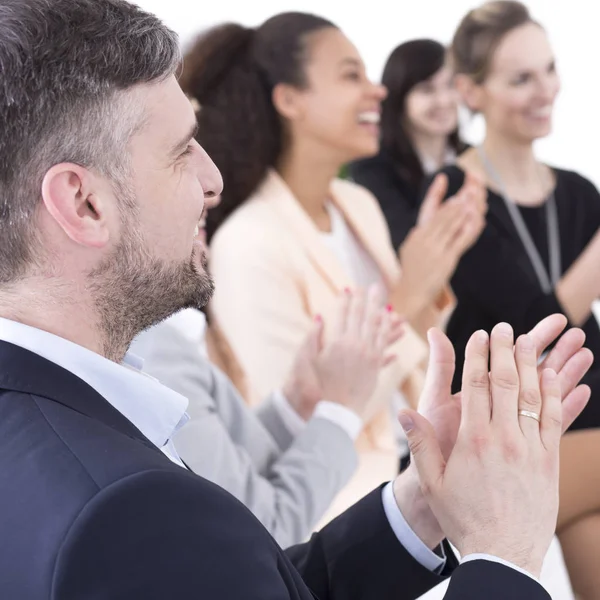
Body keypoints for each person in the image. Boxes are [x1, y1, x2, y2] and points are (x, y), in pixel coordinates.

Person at [0, 0, 593, 598]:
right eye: (181, 151)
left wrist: (419, 505)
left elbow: (248, 584)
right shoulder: (127, 509)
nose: (214, 179)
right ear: (83, 203)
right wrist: (503, 555)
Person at [180, 13, 486, 518]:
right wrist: (408, 294)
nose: (377, 92)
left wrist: (435, 266)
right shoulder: (248, 241)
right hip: (333, 516)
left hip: (412, 484)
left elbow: (418, 359)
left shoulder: (356, 204)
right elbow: (297, 433)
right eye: (351, 76)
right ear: (289, 99)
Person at [429, 2, 600, 596]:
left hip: (584, 418)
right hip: (506, 441)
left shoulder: (579, 193)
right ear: (471, 92)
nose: (544, 89)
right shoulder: (456, 192)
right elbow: (534, 323)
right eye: (520, 78)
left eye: (548, 69)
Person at [131, 285, 404, 548]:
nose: (198, 233)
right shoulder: (152, 351)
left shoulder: (155, 339)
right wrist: (340, 408)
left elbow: (232, 476)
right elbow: (263, 533)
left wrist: (295, 405)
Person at [349, 39, 471, 251]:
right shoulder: (372, 167)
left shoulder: (475, 158)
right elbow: (403, 245)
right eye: (426, 90)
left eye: (450, 85)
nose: (443, 100)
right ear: (399, 97)